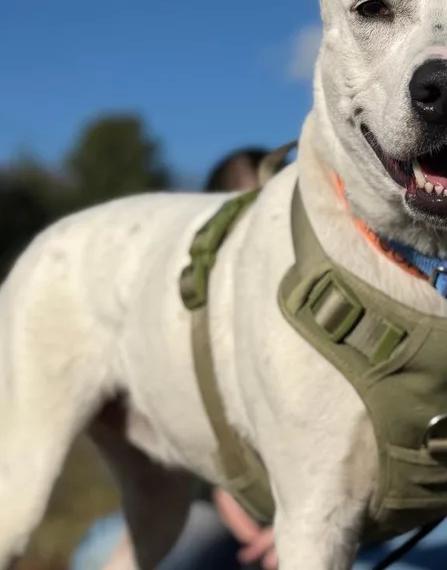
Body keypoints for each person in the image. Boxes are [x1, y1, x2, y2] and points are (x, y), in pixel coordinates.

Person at [70, 146, 293, 570]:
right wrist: (265, 536)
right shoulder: (186, 306)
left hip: (320, 514)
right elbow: (219, 474)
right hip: (221, 509)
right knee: (102, 554)